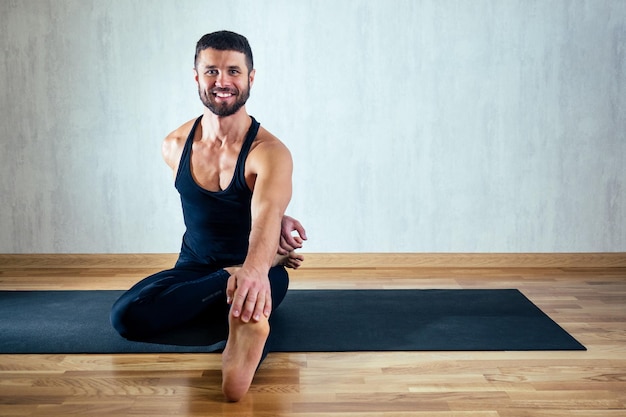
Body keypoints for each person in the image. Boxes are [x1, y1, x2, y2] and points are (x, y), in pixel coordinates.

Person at [110, 30, 306, 402]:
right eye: (211, 71)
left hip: (259, 264)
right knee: (125, 317)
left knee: (254, 292)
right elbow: (215, 209)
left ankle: (243, 331)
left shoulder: (270, 153)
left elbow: (264, 217)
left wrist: (254, 268)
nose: (223, 82)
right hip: (195, 267)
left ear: (251, 77)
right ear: (196, 76)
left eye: (233, 71)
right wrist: (235, 274)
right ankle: (234, 299)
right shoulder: (174, 145)